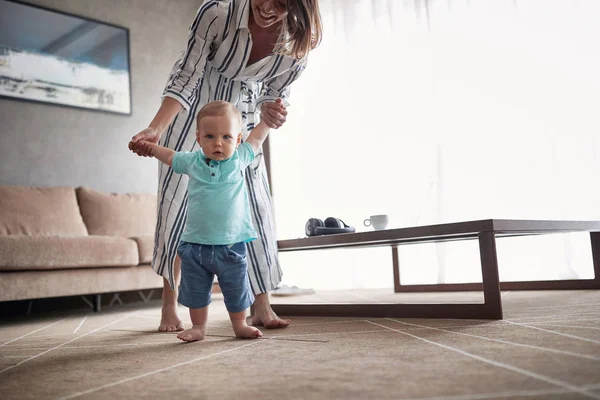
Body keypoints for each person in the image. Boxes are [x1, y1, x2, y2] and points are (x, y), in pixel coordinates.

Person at [129, 0, 322, 332]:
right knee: (177, 206)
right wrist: (156, 130)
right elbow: (186, 76)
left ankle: (261, 306)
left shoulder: (297, 39)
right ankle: (168, 304)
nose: (268, 8)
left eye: (282, 3)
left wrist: (272, 111)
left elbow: (275, 93)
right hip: (194, 118)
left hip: (239, 124)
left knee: (255, 205)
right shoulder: (217, 13)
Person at [131, 100, 279, 341]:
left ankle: (239, 324)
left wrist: (267, 122)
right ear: (199, 139)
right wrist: (149, 148)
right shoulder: (193, 162)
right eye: (210, 136)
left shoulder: (239, 159)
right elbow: (169, 156)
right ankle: (198, 327)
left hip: (231, 246)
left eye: (226, 137)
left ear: (237, 140)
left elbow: (257, 139)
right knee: (196, 291)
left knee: (236, 289)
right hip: (195, 246)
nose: (218, 143)